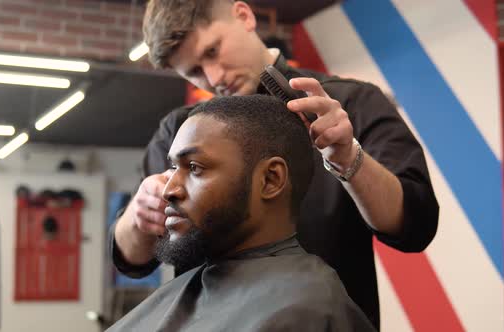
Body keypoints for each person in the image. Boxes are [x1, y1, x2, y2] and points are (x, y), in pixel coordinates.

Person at [111, 0, 439, 328]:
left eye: (213, 51)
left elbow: (414, 226)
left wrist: (349, 159)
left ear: (244, 16)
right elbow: (133, 260)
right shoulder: (181, 133)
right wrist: (140, 215)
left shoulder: (353, 104)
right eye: (194, 72)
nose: (213, 77)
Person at [107, 95, 376, 331]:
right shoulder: (195, 288)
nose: (168, 189)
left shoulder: (308, 309)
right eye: (173, 168)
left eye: (195, 167)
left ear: (270, 180)